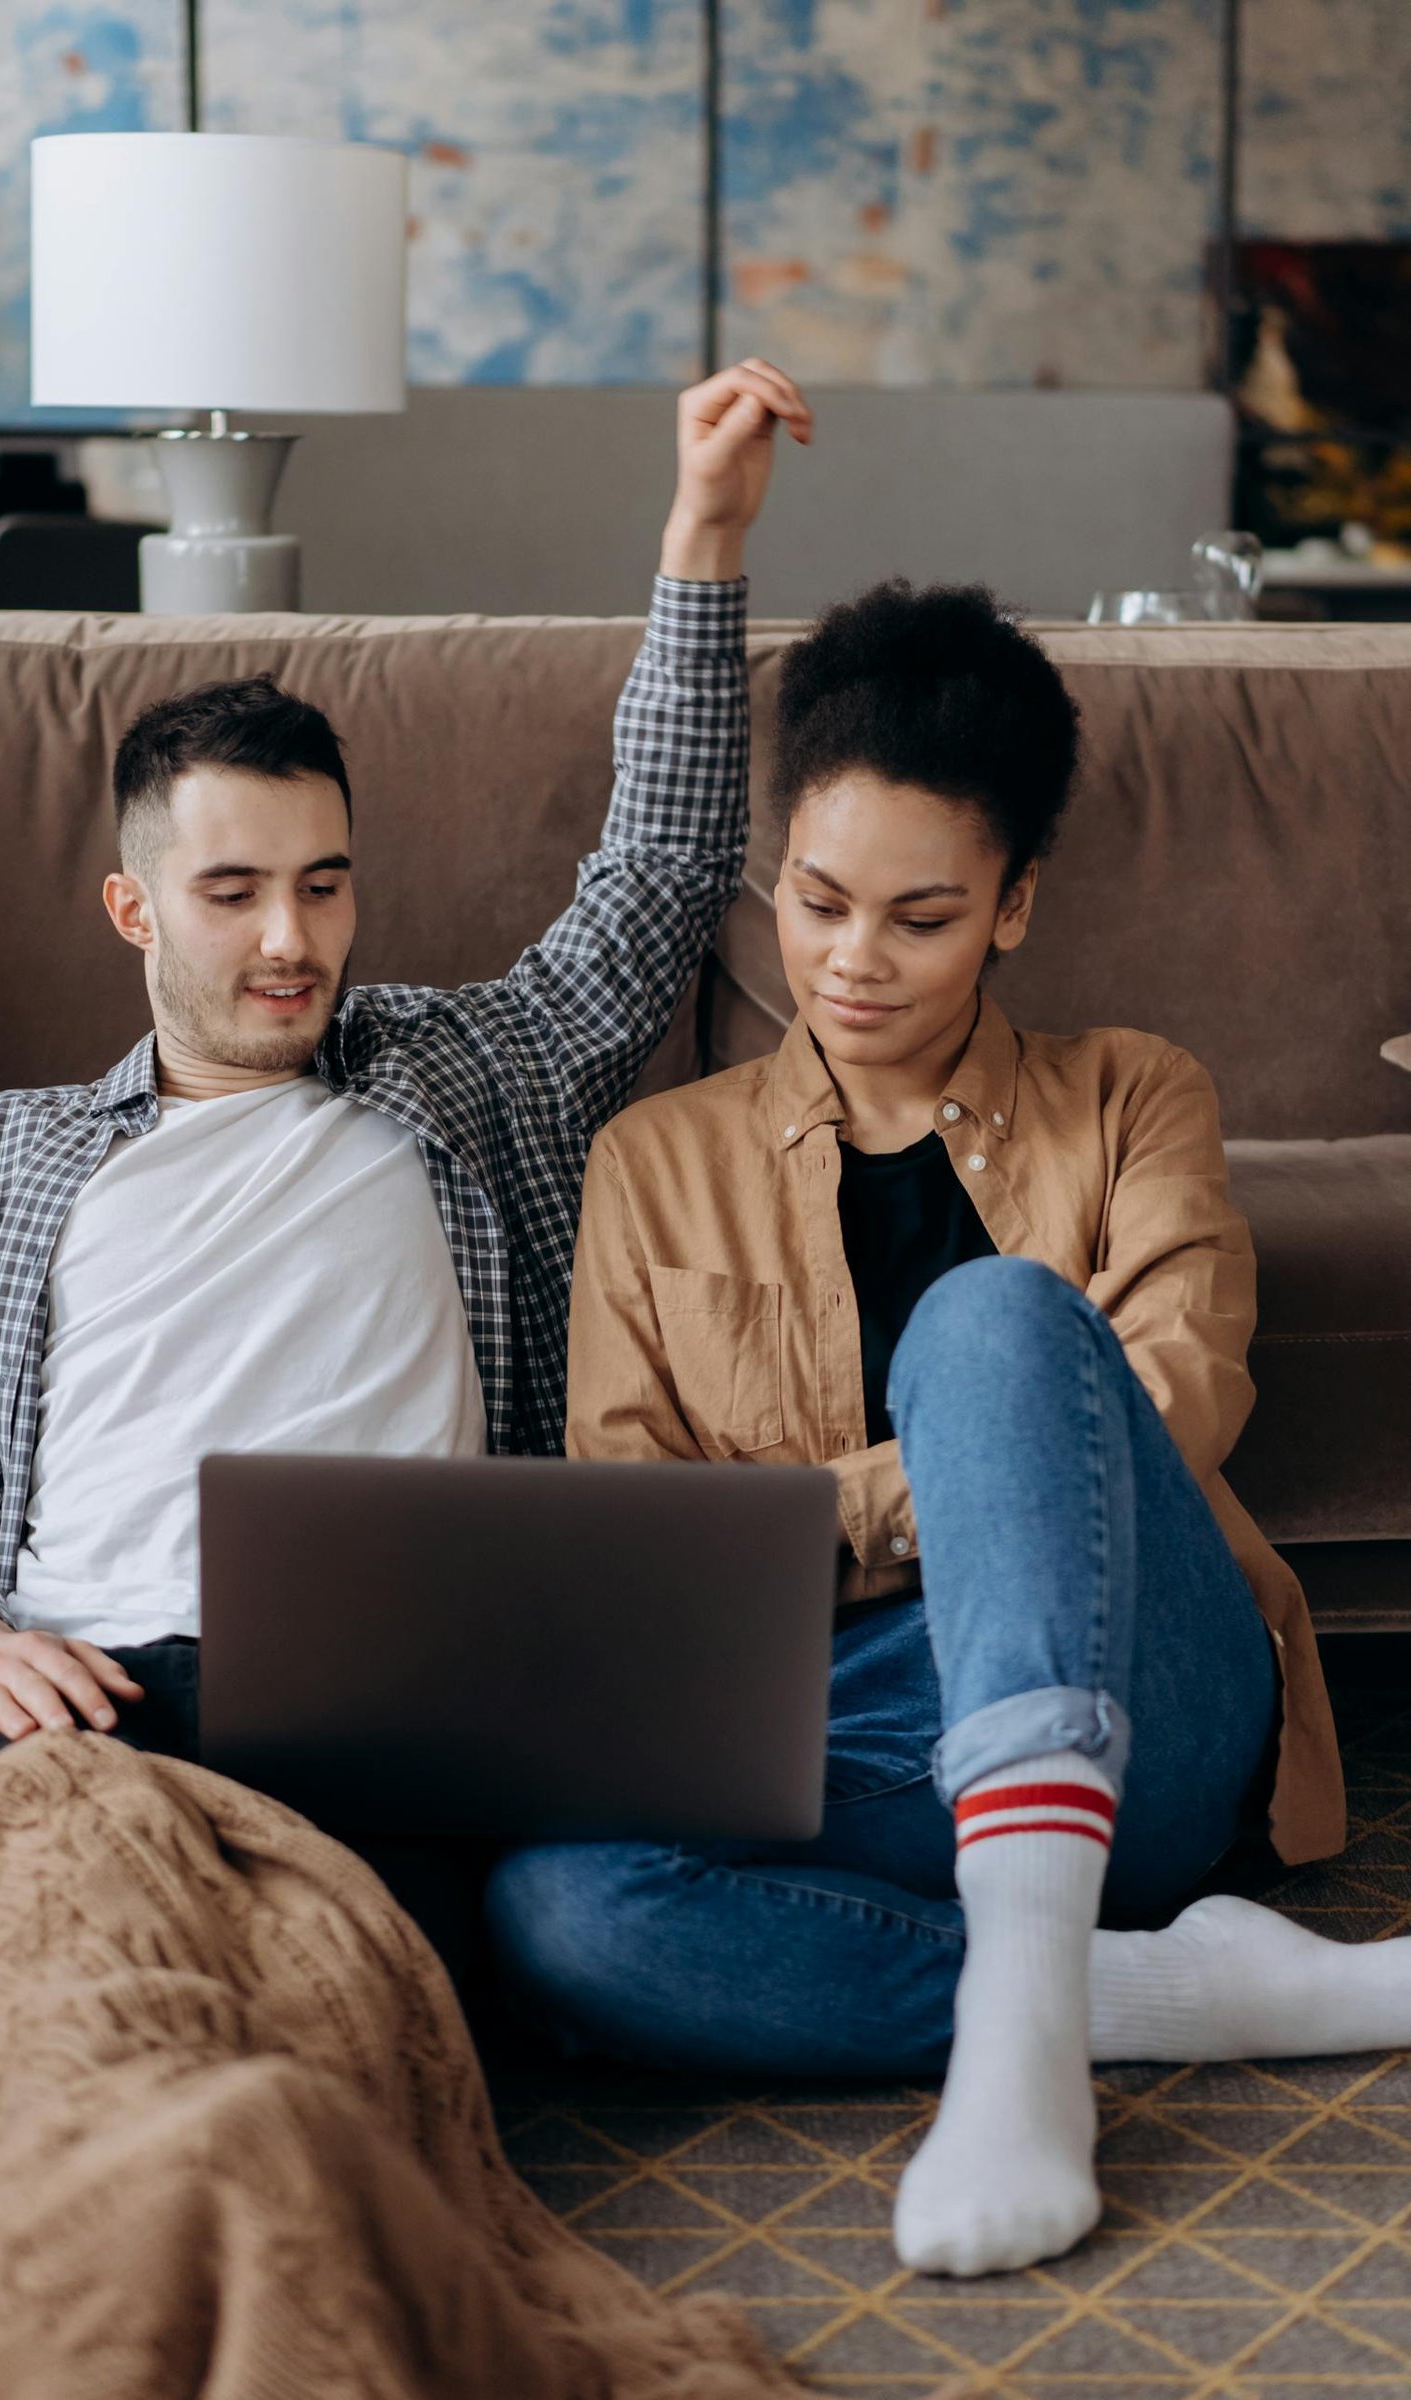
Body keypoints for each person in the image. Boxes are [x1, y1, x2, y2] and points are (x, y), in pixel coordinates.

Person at [485, 581, 1411, 2282]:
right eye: (818, 904)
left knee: (997, 1324)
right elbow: (646, 1534)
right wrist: (968, 1498)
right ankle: (1152, 1992)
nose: (849, 962)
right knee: (560, 1907)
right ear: (772, 880)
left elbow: (1166, 1404)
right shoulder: (657, 1160)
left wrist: (862, 1501)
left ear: (1014, 907)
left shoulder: (1139, 1094)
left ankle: (1019, 2057)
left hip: (1151, 1697)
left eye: (920, 918)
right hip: (861, 1718)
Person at [0, 360, 813, 1807]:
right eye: (232, 892)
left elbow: (660, 874)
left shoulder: (470, 1070)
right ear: (133, 910)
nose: (294, 941)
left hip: (396, 1674)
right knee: (100, 1919)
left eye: (323, 885)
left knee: (398, 1932)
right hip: (83, 1681)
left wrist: (703, 534)